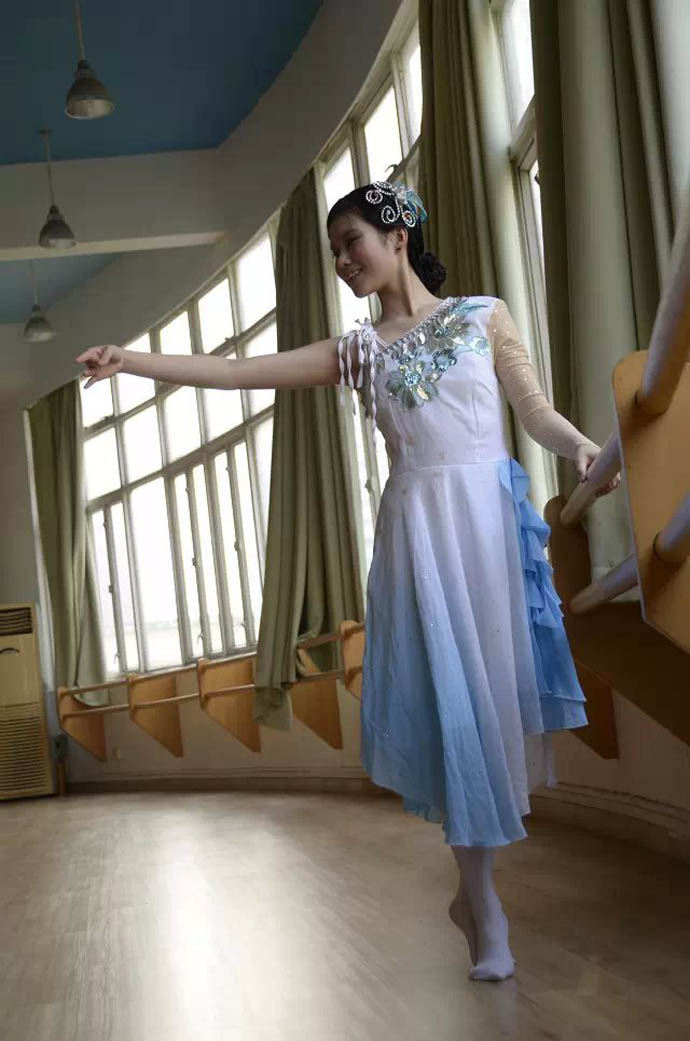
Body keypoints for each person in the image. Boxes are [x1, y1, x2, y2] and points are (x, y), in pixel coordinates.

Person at [76, 178, 620, 983]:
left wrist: (578, 446)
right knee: (458, 716)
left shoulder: (483, 317)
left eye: (350, 242)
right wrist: (131, 360)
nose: (340, 260)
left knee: (494, 712)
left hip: (488, 535)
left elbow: (533, 409)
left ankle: (475, 896)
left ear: (397, 235)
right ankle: (485, 906)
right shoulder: (357, 351)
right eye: (332, 250)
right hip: (420, 543)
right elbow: (238, 372)